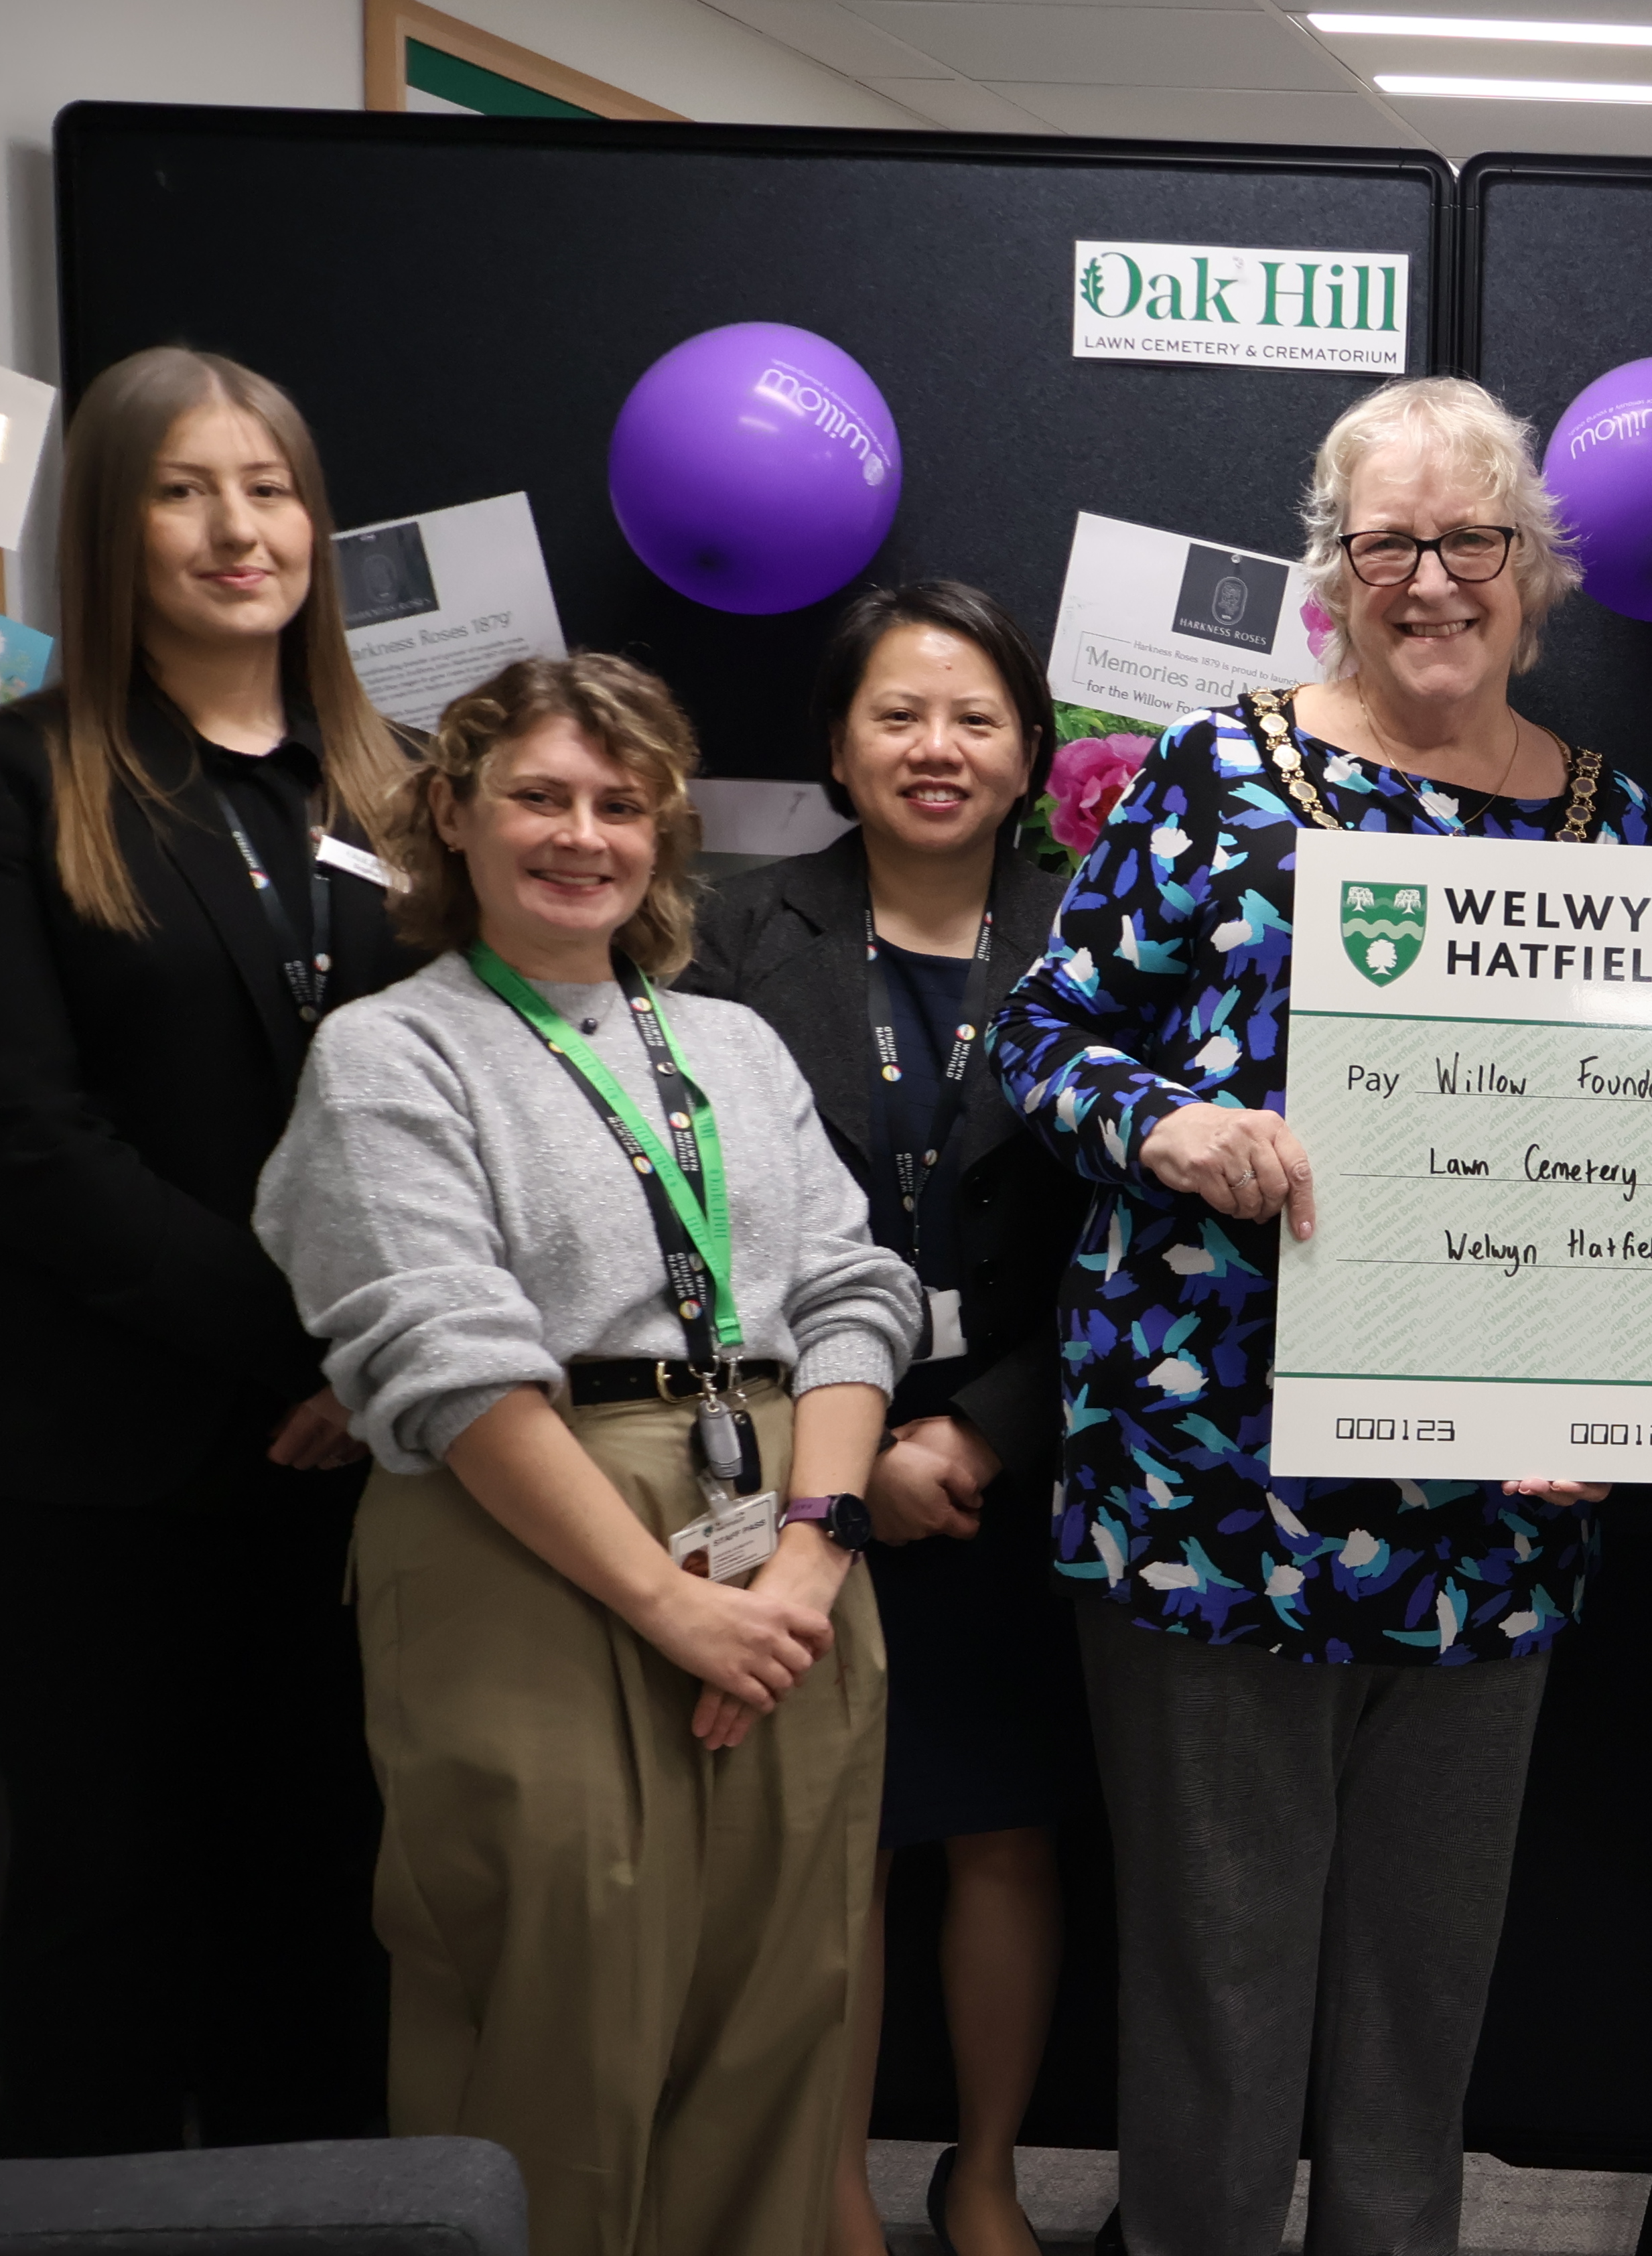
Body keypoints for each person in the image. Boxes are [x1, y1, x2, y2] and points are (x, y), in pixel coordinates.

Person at [985, 375, 1628, 2256]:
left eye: (1472, 540)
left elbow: (1651, 1153)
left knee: (1425, 1997)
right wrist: (1170, 1127)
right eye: (1387, 543)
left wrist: (1620, 1401)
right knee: (1219, 1979)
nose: (1433, 579)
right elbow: (1041, 1034)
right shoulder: (1212, 776)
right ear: (1330, 572)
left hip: (1492, 1516)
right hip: (1212, 1491)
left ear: (1533, 567)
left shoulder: (1611, 822)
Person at [257, 652, 916, 2256]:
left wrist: (812, 1556)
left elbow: (851, 1288)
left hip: (783, 1534)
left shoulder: (735, 1048)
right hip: (529, 1532)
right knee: (561, 1992)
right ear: (453, 818)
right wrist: (674, 1606)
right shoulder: (388, 1054)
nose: (582, 834)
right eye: (539, 796)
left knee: (780, 1999)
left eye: (621, 803)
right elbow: (447, 1356)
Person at [0, 346, 418, 2157]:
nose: (240, 530)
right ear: (107, 526)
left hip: (365, 1466)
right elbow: (19, 1140)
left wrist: (368, 1376)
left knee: (332, 1891)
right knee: (105, 1899)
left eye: (273, 488)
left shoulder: (401, 788)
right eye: (183, 489)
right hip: (95, 1461)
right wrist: (307, 1346)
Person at [685, 581, 1084, 2256]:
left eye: (976, 716)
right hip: (797, 1456)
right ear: (838, 748)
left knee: (1002, 1828)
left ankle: (984, 2167)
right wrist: (840, 1460)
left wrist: (978, 1431)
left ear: (1028, 751)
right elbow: (700, 1216)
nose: (937, 747)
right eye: (898, 716)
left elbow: (1130, 1242)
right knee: (822, 1842)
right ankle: (828, 2179)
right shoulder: (725, 926)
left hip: (1013, 1452)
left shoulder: (1098, 926)